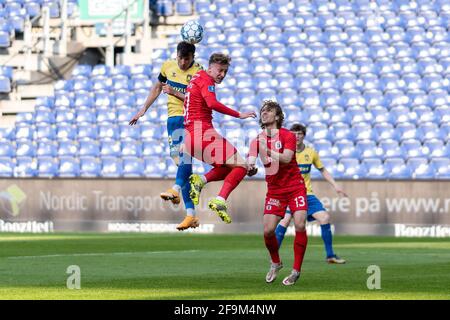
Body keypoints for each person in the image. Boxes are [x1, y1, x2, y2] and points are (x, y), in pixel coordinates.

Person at [129, 41, 203, 231]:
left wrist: (174, 92)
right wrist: (143, 109)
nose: (182, 62)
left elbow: (198, 99)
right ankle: (191, 215)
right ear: (176, 55)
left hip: (190, 118)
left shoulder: (199, 72)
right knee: (180, 162)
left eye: (186, 59)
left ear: (192, 57)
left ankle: (176, 190)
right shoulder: (167, 66)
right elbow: (156, 88)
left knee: (184, 155)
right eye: (180, 58)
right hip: (172, 120)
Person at [182, 53, 256, 223]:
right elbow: (212, 103)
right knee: (242, 166)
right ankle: (220, 200)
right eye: (220, 70)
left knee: (231, 167)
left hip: (191, 138)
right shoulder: (206, 79)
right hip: (202, 133)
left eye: (225, 72)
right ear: (210, 67)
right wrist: (239, 114)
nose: (222, 74)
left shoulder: (197, 77)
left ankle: (200, 181)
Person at [247, 101, 308, 286]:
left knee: (299, 224)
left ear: (277, 116)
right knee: (268, 231)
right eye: (262, 111)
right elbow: (250, 160)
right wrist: (250, 168)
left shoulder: (287, 135)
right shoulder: (256, 140)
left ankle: (296, 270)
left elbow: (288, 158)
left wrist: (268, 150)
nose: (264, 113)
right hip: (274, 190)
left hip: (295, 186)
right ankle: (276, 262)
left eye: (269, 110)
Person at [274, 123, 348, 264]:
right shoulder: (285, 153)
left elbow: (322, 170)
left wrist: (336, 186)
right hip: (289, 193)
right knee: (284, 221)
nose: (296, 136)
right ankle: (274, 257)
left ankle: (330, 255)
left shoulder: (311, 153)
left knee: (324, 218)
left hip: (307, 194)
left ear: (304, 135)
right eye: (294, 133)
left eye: (300, 133)